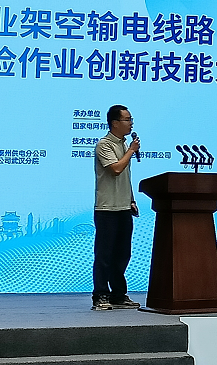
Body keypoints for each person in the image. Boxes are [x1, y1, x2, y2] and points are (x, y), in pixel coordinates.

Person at [91, 104, 141, 310]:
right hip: (107, 209)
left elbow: (125, 177)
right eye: (127, 120)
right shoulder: (104, 145)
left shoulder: (124, 144)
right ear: (114, 123)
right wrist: (131, 151)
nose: (131, 124)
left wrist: (131, 200)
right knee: (104, 255)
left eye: (131, 120)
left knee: (122, 255)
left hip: (123, 207)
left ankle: (118, 295)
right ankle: (100, 295)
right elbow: (116, 169)